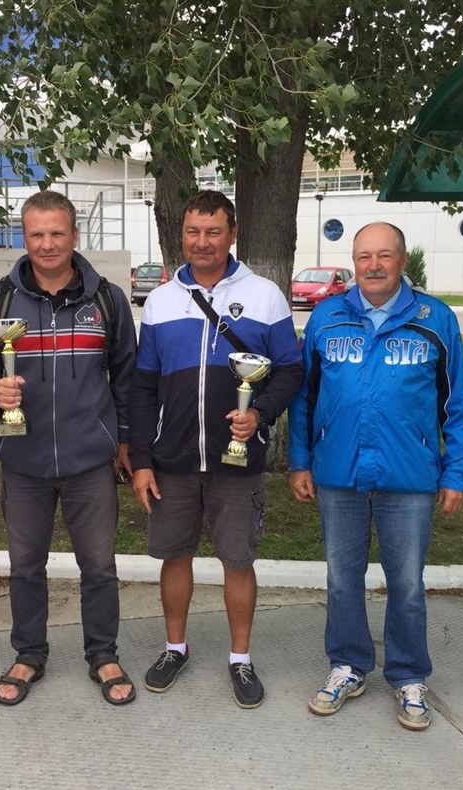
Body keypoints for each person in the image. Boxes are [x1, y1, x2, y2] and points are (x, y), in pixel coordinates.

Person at [288, 221, 463, 731]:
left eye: (384, 255)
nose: (373, 266)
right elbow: (304, 397)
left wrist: (457, 472)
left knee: (407, 584)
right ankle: (348, 665)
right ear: (353, 263)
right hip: (338, 473)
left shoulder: (435, 319)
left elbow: (458, 405)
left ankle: (409, 675)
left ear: (402, 261)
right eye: (363, 256)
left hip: (409, 475)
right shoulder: (327, 317)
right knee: (341, 578)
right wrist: (300, 461)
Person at [129, 190, 303, 709]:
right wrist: (142, 461)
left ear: (232, 234)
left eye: (212, 232)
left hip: (238, 461)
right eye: (192, 232)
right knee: (174, 557)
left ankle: (240, 658)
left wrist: (260, 413)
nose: (201, 242)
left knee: (238, 561)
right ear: (181, 234)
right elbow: (143, 387)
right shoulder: (160, 301)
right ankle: (174, 649)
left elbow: (290, 370)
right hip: (172, 460)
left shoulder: (265, 295)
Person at [0, 190, 138, 706]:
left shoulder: (107, 299)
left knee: (99, 567)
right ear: (24, 237)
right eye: (36, 234)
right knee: (25, 566)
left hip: (90, 461)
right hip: (22, 460)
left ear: (75, 236)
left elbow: (126, 377)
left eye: (57, 233)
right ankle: (29, 653)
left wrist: (124, 442)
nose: (47, 244)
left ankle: (102, 653)